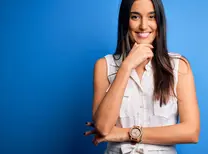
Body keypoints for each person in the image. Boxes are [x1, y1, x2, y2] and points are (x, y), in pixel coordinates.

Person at [84, 0, 200, 153]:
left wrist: (126, 133)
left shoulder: (178, 66)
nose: (144, 26)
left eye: (151, 17)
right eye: (135, 17)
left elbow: (191, 132)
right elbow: (103, 127)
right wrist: (126, 66)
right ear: (125, 21)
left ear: (160, 22)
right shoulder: (104, 66)